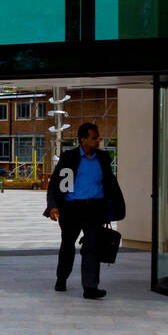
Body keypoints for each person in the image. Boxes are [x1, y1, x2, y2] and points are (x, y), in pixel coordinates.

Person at [44, 123, 125, 299]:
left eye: (98, 137)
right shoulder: (70, 158)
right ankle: (62, 278)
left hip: (94, 209)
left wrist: (112, 207)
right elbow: (55, 184)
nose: (98, 140)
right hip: (72, 209)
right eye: (94, 137)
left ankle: (90, 287)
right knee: (67, 246)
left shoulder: (103, 158)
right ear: (83, 140)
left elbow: (109, 184)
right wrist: (53, 206)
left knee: (92, 247)